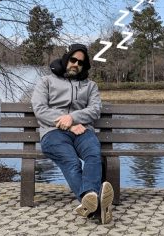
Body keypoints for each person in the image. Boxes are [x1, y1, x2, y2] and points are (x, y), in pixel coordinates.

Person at [31, 43, 114, 224]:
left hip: (82, 131)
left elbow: (94, 110)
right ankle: (98, 205)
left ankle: (90, 202)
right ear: (66, 59)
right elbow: (40, 109)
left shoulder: (90, 86)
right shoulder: (46, 81)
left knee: (93, 154)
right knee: (71, 161)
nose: (76, 64)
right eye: (73, 60)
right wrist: (67, 124)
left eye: (80, 62)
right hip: (53, 133)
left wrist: (73, 118)